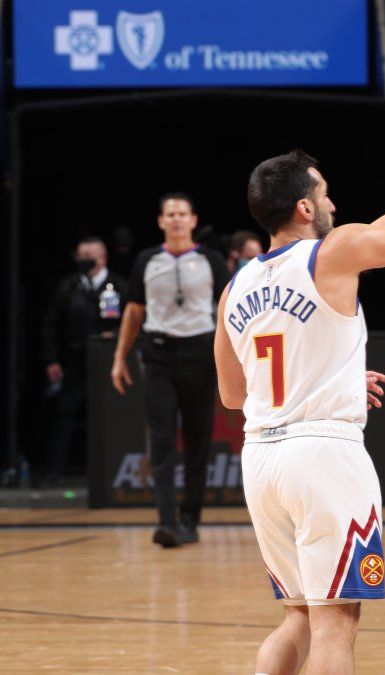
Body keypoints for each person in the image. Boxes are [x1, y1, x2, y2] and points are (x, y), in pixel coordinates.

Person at [215, 51, 385, 675]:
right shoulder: (332, 251)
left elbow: (234, 396)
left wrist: (332, 376)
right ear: (303, 207)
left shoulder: (234, 288)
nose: (332, 202)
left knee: (297, 617)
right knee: (335, 621)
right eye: (323, 193)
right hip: (323, 456)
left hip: (261, 460)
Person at [111, 194, 229, 549]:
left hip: (200, 352)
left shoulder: (211, 259)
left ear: (193, 220)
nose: (176, 219)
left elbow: (227, 308)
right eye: (170, 214)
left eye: (182, 213)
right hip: (158, 353)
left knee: (197, 438)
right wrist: (119, 357)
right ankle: (166, 521)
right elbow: (134, 311)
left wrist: (234, 356)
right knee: (161, 440)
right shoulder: (147, 260)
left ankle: (190, 520)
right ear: (161, 221)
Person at [40, 237, 127, 485]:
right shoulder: (69, 286)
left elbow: (134, 320)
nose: (83, 260)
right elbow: (51, 324)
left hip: (110, 362)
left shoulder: (118, 285)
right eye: (80, 255)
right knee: (65, 414)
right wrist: (51, 359)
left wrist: (116, 335)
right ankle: (54, 471)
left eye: (89, 255)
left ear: (103, 258)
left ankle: (113, 473)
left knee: (113, 416)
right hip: (75, 360)